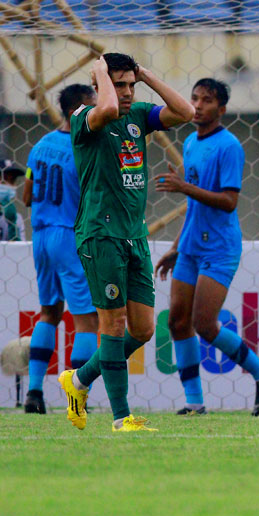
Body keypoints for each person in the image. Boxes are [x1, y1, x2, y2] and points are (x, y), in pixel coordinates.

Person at [57, 52, 193, 432]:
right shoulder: (84, 119)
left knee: (145, 328)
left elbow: (184, 113)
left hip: (134, 235)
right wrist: (102, 73)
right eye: (121, 84)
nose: (128, 93)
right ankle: (121, 417)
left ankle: (78, 380)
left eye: (131, 85)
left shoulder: (138, 115)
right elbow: (107, 108)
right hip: (100, 235)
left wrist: (146, 75)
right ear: (101, 83)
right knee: (113, 325)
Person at [153, 78, 259, 416]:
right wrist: (176, 246)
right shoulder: (192, 143)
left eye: (206, 100)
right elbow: (195, 207)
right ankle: (195, 403)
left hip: (219, 249)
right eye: (194, 98)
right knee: (177, 322)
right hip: (191, 247)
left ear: (221, 109)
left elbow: (227, 201)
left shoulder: (229, 147)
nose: (197, 105)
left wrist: (183, 187)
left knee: (205, 324)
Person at [19, 84, 100, 415]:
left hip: (41, 236)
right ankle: (76, 399)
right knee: (87, 321)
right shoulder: (84, 149)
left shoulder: (39, 146)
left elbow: (26, 196)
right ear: (75, 111)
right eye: (92, 107)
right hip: (69, 236)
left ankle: (34, 393)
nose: (99, 112)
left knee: (49, 313)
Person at [0, 159, 26, 241]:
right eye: (3, 180)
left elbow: (20, 252)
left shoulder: (16, 218)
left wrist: (12, 227)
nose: (7, 185)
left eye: (12, 181)